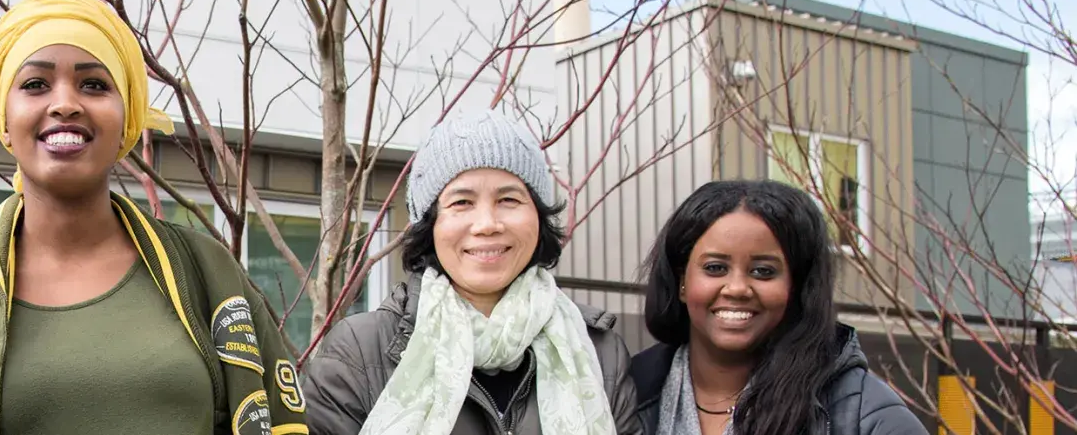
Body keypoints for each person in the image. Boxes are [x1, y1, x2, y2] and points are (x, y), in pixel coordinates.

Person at [0, 0, 308, 435]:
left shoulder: (211, 275)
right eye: (35, 84)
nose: (65, 103)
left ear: (126, 118)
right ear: (4, 120)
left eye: (93, 84)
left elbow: (285, 423)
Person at [302, 108, 643, 435]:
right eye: (461, 202)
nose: (487, 224)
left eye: (509, 199)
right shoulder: (359, 352)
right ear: (430, 224)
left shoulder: (600, 353)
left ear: (538, 216)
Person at [631, 179, 927, 435]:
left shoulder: (864, 413)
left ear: (796, 288)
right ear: (682, 281)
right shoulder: (627, 391)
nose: (737, 289)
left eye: (763, 271)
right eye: (715, 267)